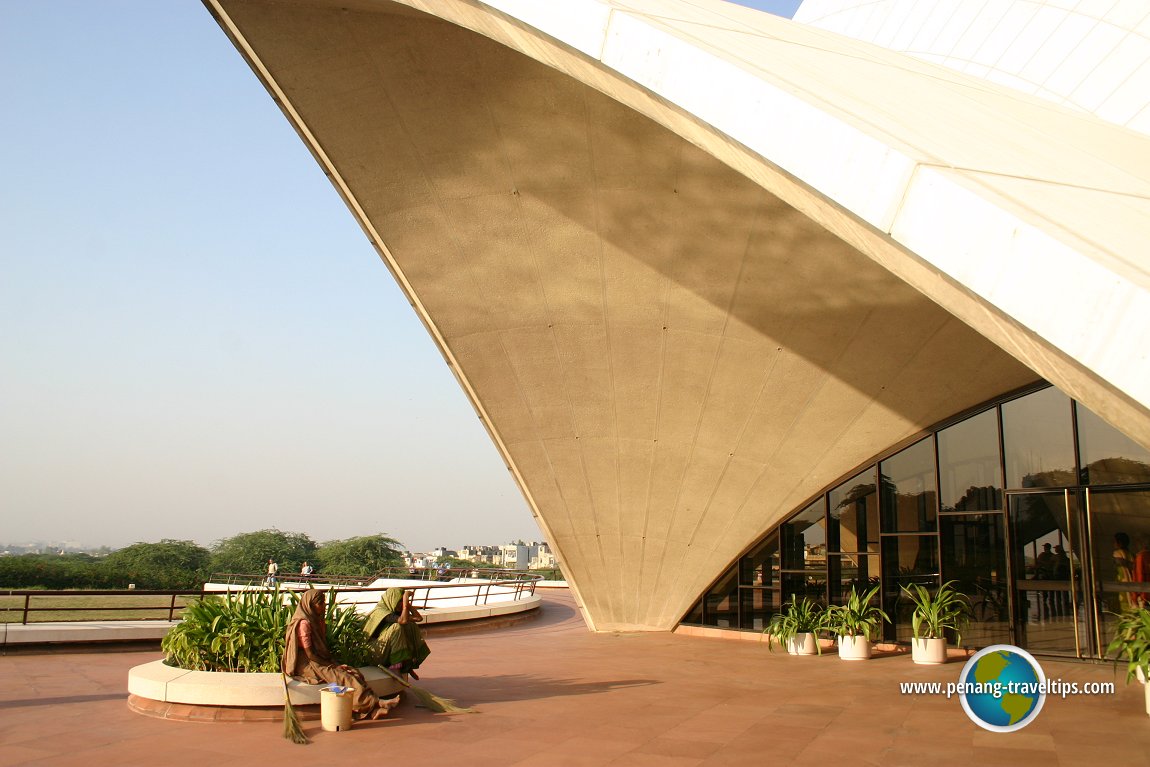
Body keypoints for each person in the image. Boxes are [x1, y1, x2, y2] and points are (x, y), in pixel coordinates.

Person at [282, 589, 399, 720]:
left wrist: (335, 663)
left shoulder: (316, 621)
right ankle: (376, 702)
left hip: (318, 660)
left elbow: (320, 650)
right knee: (343, 677)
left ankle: (372, 711)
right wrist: (333, 665)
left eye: (324, 603)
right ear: (310, 605)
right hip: (306, 664)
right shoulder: (304, 624)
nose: (324, 606)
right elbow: (310, 655)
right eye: (321, 603)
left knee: (353, 672)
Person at [365, 588, 430, 681]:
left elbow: (418, 618)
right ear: (392, 599)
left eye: (402, 601)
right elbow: (402, 621)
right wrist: (406, 598)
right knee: (397, 627)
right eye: (399, 601)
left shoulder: (394, 611)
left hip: (386, 648)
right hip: (374, 651)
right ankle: (396, 666)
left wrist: (406, 603)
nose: (401, 604)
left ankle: (407, 664)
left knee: (410, 625)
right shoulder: (381, 612)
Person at [1114, 532, 1136, 612]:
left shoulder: (1117, 553)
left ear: (1119, 543)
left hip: (1123, 583)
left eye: (1115, 541)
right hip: (1133, 583)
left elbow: (1118, 563)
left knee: (1125, 606)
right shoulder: (1132, 554)